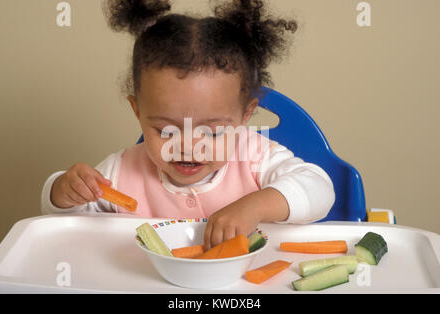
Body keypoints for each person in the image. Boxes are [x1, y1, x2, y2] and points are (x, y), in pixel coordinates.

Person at [41, 0, 335, 250]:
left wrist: (253, 207)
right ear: (138, 111)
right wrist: (63, 191)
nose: (189, 146)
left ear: (245, 116)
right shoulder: (121, 171)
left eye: (213, 132)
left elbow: (319, 188)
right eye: (166, 131)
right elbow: (71, 226)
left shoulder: (256, 158)